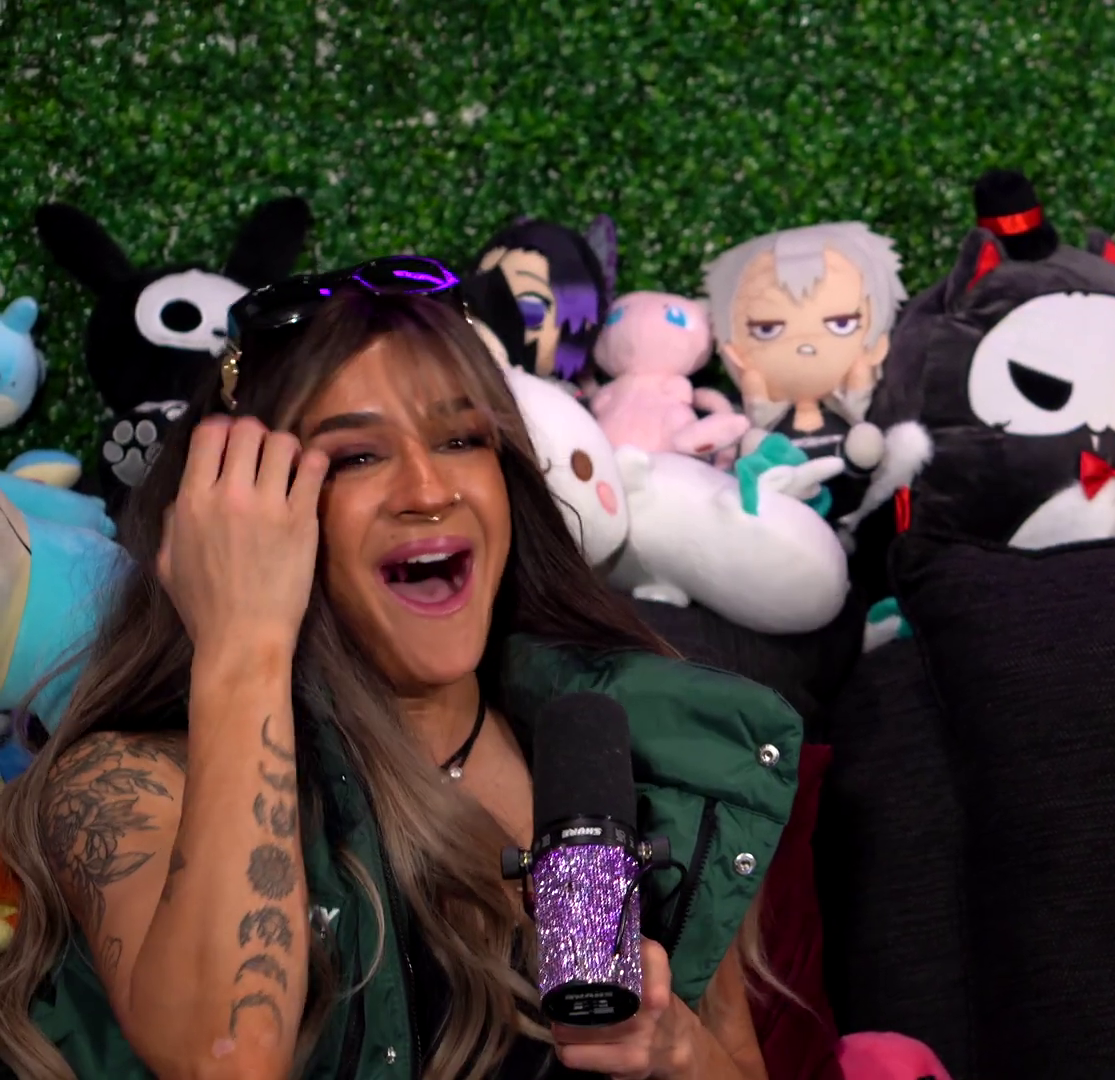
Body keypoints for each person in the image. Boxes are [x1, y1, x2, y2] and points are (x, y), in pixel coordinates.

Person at [0, 256, 801, 1080]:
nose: (428, 489)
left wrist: (677, 1051)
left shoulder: (642, 752)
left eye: (461, 440)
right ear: (245, 514)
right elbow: (226, 1064)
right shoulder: (126, 782)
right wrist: (241, 641)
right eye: (355, 456)